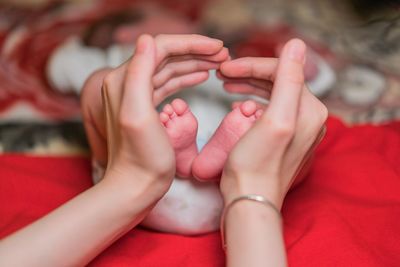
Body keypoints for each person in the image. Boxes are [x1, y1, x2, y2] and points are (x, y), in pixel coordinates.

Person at [0, 34, 327, 267]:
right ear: (125, 32)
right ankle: (211, 158)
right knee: (98, 82)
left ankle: (198, 156)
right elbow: (60, 67)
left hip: (143, 181)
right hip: (245, 187)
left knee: (283, 118)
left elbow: (320, 83)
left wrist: (307, 70)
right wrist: (80, 40)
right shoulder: (118, 56)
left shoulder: (231, 60)